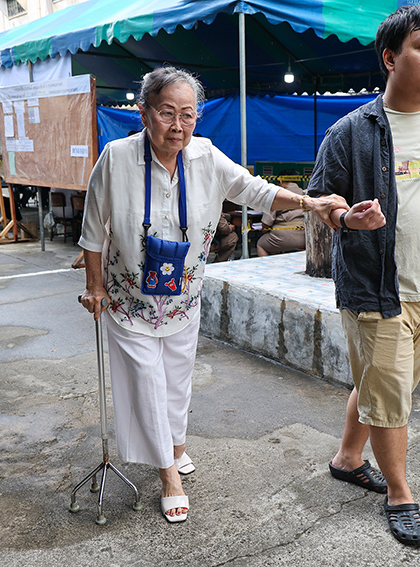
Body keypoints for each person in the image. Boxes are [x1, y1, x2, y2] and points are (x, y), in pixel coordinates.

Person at [78, 66, 348, 524]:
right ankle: (168, 475)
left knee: (178, 380)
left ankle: (175, 447)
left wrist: (309, 203)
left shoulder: (205, 156)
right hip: (128, 298)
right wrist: (94, 286)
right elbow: (92, 230)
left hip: (183, 296)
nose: (178, 125)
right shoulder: (117, 157)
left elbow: (255, 191)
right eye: (167, 113)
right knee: (146, 380)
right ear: (144, 113)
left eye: (188, 115)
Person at [307, 5, 420, 547]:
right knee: (392, 399)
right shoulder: (349, 133)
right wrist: (344, 217)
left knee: (380, 387)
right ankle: (401, 495)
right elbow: (319, 200)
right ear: (390, 57)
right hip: (376, 291)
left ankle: (347, 457)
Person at [256, 170, 306, 256]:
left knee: (261, 244)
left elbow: (266, 223)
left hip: (281, 236)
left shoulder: (277, 196)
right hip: (304, 237)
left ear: (280, 181)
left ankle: (267, 269)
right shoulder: (305, 194)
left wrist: (267, 232)